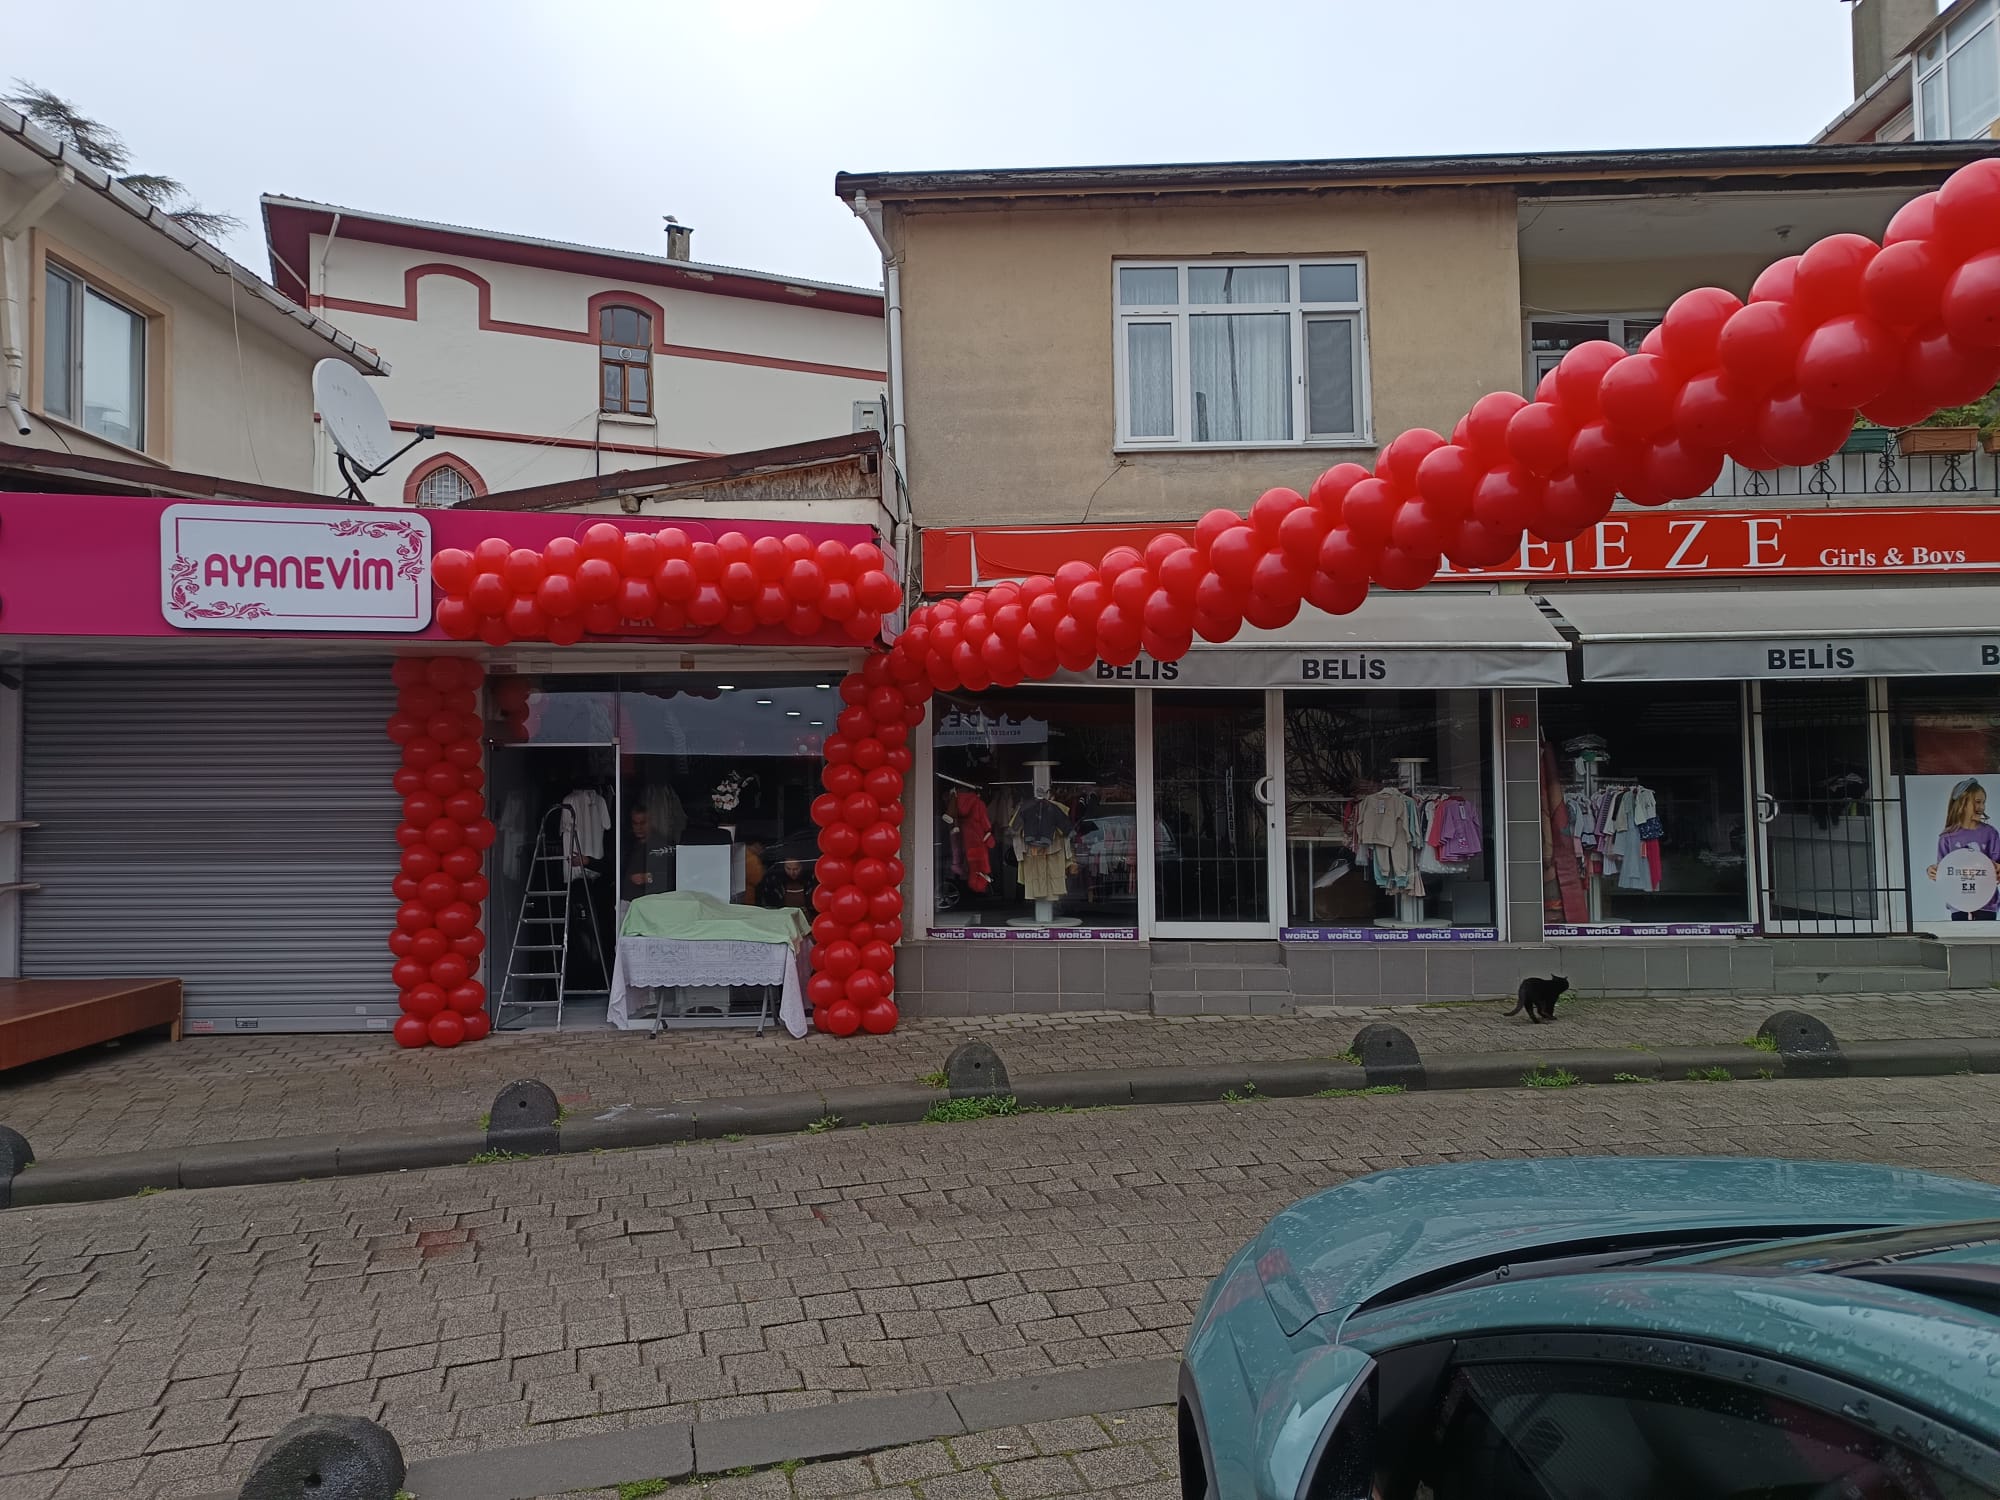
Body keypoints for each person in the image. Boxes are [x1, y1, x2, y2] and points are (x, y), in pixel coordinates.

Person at [1928, 776, 2000, 921]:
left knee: (1985, 935)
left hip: (1987, 903)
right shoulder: (1947, 837)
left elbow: (1997, 864)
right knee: (1961, 935)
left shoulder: (1990, 833)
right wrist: (1933, 871)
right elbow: (1943, 869)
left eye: (1983, 802)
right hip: (1958, 902)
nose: (1982, 807)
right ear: (1962, 804)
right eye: (1978, 802)